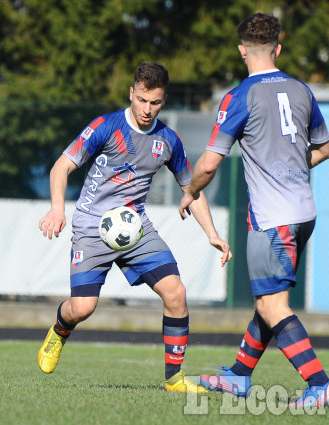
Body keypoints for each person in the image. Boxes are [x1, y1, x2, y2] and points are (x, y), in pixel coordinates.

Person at [38, 61, 232, 394]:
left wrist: (212, 234)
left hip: (135, 228)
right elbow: (61, 167)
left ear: (164, 100)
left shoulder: (168, 140)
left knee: (176, 293)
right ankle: (59, 330)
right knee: (82, 308)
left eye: (154, 102)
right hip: (91, 226)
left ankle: (173, 379)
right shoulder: (105, 126)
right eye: (141, 99)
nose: (146, 109)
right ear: (132, 92)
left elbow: (192, 189)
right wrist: (58, 208)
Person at [179, 13, 329, 407]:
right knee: (267, 300)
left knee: (273, 305)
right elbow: (325, 149)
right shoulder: (302, 91)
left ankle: (320, 386)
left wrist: (191, 191)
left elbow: (210, 163)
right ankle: (238, 376)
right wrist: (292, 169)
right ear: (278, 48)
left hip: (272, 218)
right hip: (303, 213)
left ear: (241, 50)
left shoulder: (239, 96)